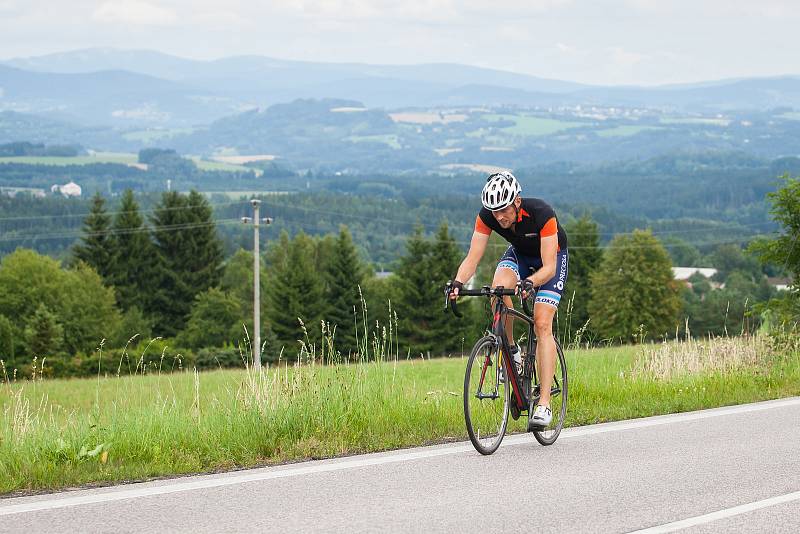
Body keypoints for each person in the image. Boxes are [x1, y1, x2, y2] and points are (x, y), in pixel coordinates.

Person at [448, 171, 568, 427]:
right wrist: (457, 282)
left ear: (516, 201)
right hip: (520, 256)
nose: (499, 217)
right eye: (494, 212)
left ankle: (544, 404)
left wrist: (530, 283)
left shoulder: (541, 213)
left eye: (503, 210)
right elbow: (473, 257)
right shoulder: (487, 216)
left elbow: (547, 267)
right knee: (497, 290)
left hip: (550, 260)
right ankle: (511, 350)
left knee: (542, 323)